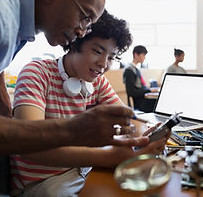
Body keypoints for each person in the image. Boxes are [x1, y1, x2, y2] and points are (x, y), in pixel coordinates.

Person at [0, 0, 143, 178]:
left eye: (89, 24)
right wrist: (73, 131)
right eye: (85, 17)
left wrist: (9, 118)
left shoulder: (17, 19)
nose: (83, 32)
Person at [10, 11, 168, 197]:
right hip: (43, 182)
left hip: (84, 170)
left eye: (111, 57)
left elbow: (128, 120)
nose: (103, 64)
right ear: (75, 43)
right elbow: (30, 146)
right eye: (97, 51)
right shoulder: (36, 73)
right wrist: (107, 157)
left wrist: (144, 135)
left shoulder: (97, 81)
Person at [123, 45, 158, 112]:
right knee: (158, 103)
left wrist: (150, 90)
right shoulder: (129, 70)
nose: (144, 58)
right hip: (140, 103)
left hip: (143, 98)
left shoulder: (136, 69)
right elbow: (131, 92)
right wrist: (149, 90)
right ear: (136, 54)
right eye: (143, 55)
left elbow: (140, 87)